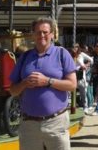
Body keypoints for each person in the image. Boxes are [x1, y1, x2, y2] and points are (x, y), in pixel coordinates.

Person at [9, 17, 77, 150]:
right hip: (29, 125)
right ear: (33, 35)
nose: (42, 35)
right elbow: (12, 91)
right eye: (38, 32)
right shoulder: (25, 57)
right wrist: (24, 84)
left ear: (52, 34)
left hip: (55, 123)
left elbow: (72, 85)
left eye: (45, 32)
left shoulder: (62, 54)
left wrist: (47, 81)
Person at [73, 43, 93, 113]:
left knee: (83, 92)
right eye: (73, 47)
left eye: (76, 47)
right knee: (71, 93)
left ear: (78, 48)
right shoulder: (70, 55)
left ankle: (85, 107)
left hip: (80, 75)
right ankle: (74, 107)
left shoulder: (81, 54)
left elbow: (91, 59)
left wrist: (85, 66)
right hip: (72, 75)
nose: (75, 48)